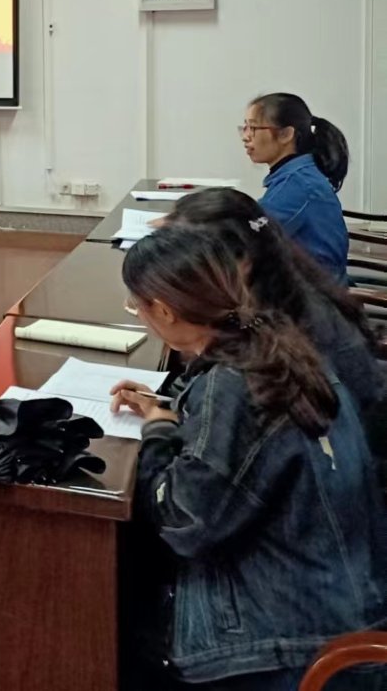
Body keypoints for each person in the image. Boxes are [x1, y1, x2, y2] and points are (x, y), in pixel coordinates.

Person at [112, 224, 387, 689]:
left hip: (291, 640)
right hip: (338, 598)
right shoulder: (274, 341)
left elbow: (181, 518)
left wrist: (158, 430)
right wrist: (171, 411)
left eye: (136, 307)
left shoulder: (232, 385)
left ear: (164, 310)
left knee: (118, 620)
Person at [170, 187, 383, 421]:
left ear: (242, 261)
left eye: (191, 266)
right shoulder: (278, 285)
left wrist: (163, 420)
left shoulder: (283, 322)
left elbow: (241, 412)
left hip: (346, 432)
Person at [241, 92, 351, 281]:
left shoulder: (299, 184)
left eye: (253, 128)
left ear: (286, 134)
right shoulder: (296, 175)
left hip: (314, 293)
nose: (245, 136)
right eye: (244, 127)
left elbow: (248, 236)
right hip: (306, 284)